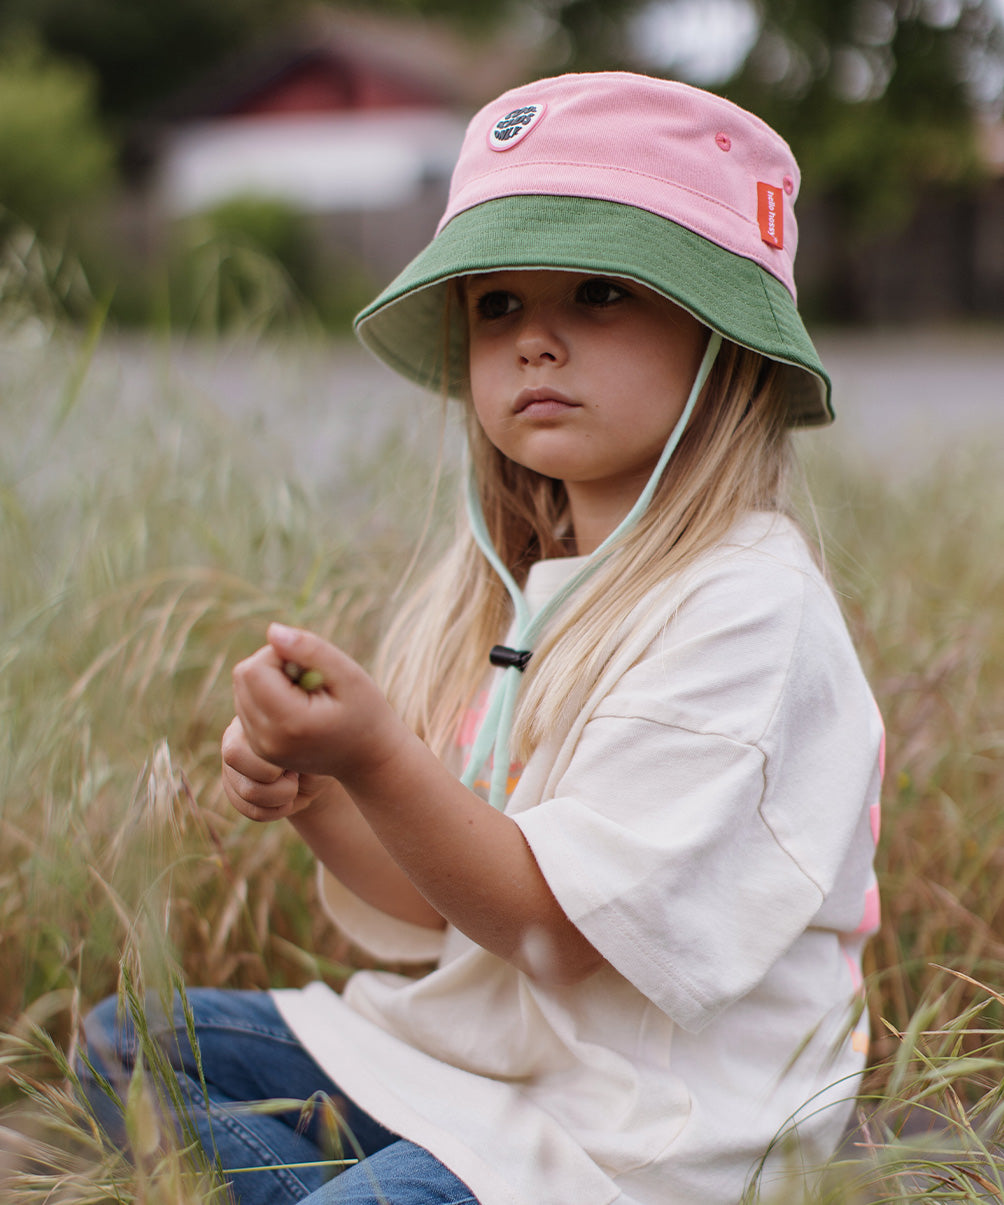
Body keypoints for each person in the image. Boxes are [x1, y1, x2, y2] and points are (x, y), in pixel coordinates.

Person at [80, 71, 884, 1205]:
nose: (532, 341)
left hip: (642, 1134)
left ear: (722, 338)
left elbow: (546, 925)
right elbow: (438, 904)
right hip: (475, 1061)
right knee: (134, 1039)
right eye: (496, 303)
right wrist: (320, 791)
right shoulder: (536, 580)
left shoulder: (746, 609)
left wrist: (375, 756)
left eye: (599, 290)